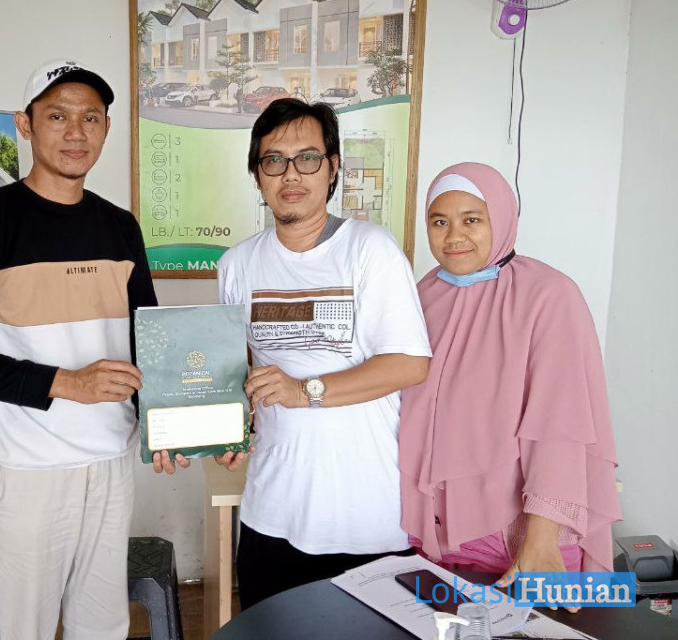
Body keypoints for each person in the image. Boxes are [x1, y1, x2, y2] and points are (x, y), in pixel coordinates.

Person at [0, 59, 157, 640]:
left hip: (111, 462)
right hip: (27, 470)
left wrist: (172, 428)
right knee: (23, 629)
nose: (76, 132)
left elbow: (151, 342)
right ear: (25, 125)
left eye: (90, 118)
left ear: (106, 128)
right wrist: (67, 382)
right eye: (57, 116)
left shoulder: (121, 227)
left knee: (102, 627)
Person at [215, 99, 432, 610]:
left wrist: (303, 391)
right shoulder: (237, 265)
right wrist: (226, 428)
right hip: (272, 513)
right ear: (257, 174)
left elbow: (409, 363)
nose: (291, 174)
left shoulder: (370, 249)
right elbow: (238, 372)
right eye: (274, 160)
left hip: (367, 521)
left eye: (307, 157)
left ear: (333, 167)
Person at [399, 163, 621, 607]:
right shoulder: (421, 294)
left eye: (471, 220)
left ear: (501, 217)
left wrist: (540, 538)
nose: (454, 236)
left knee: (547, 632)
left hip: (524, 541)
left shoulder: (549, 295)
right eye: (439, 222)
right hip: (435, 538)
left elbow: (559, 423)